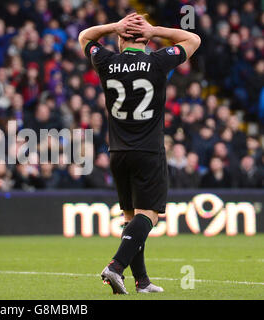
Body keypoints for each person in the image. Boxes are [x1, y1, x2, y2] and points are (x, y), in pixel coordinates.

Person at [78, 13, 200, 294]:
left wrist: (112, 27)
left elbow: (85, 36)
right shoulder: (158, 61)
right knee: (149, 216)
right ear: (146, 41)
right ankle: (116, 266)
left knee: (131, 218)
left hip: (118, 151)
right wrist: (154, 29)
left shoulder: (106, 61)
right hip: (148, 150)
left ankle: (142, 281)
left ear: (121, 39)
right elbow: (193, 38)